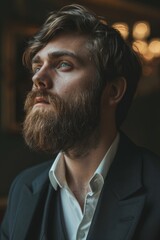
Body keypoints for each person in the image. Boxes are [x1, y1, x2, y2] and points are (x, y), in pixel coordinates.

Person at [1, 4, 160, 240]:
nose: (38, 78)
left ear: (113, 90)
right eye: (37, 66)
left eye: (63, 64)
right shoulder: (23, 189)